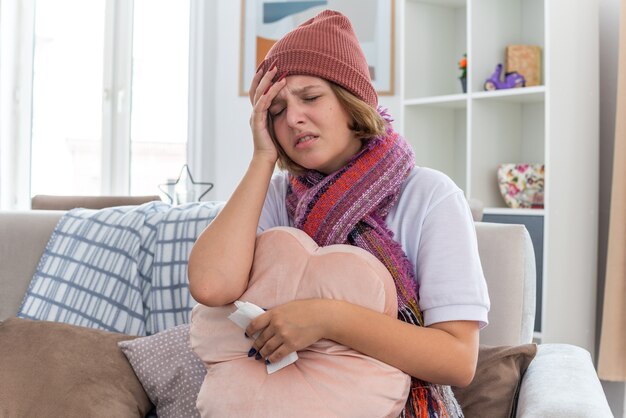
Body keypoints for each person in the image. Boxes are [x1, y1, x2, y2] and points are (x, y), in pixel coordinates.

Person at [188, 9, 489, 417]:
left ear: (351, 102)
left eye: (311, 97)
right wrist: (262, 157)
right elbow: (210, 286)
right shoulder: (274, 196)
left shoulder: (429, 196)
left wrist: (328, 318)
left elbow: (457, 360)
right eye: (275, 110)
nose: (293, 117)